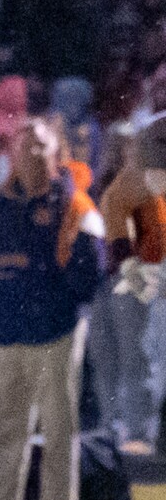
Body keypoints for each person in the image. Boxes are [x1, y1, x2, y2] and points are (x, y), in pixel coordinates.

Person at [0, 117, 104, 500]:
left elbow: (92, 269)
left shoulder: (76, 205)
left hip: (55, 331)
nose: (29, 153)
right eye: (22, 145)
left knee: (59, 426)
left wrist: (51, 299)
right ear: (9, 153)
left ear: (57, 152)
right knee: (3, 426)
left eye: (39, 145)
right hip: (4, 333)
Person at [90, 122, 166, 455]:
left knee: (135, 355)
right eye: (123, 145)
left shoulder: (149, 186)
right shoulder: (106, 183)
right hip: (104, 278)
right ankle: (110, 426)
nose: (128, 151)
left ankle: (138, 430)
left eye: (133, 145)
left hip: (134, 275)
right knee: (104, 356)